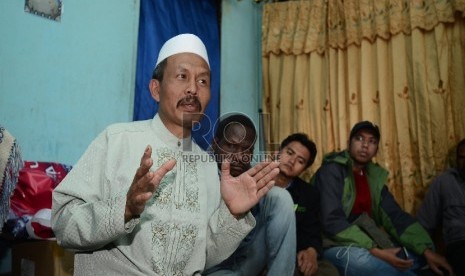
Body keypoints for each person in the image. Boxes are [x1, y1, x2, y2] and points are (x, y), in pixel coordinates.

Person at [51, 34, 280, 276]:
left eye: (203, 81)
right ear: (156, 89)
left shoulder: (208, 169)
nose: (193, 88)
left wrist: (232, 213)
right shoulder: (117, 140)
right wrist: (125, 208)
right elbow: (64, 224)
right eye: (182, 76)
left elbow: (205, 257)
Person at [312, 121, 452, 276]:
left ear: (376, 150)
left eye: (372, 141)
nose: (365, 145)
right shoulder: (331, 171)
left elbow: (395, 216)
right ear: (349, 143)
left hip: (371, 242)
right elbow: (331, 220)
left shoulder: (374, 179)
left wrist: (426, 250)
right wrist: (375, 250)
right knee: (363, 263)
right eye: (359, 139)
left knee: (418, 257)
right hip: (333, 244)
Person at [204, 113, 296, 275]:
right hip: (212, 265)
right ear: (215, 144)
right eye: (231, 146)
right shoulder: (198, 173)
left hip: (247, 257)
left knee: (281, 197)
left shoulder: (248, 176)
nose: (240, 157)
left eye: (247, 149)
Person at [274, 133, 339, 276]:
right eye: (289, 153)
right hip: (259, 250)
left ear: (304, 170)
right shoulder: (256, 180)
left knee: (329, 272)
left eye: (300, 161)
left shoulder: (309, 194)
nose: (292, 161)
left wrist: (311, 250)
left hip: (293, 252)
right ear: (278, 152)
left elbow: (311, 230)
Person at [417, 138, 465, 275]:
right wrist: (425, 252)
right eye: (462, 158)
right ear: (456, 160)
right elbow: (424, 224)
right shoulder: (444, 182)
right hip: (459, 245)